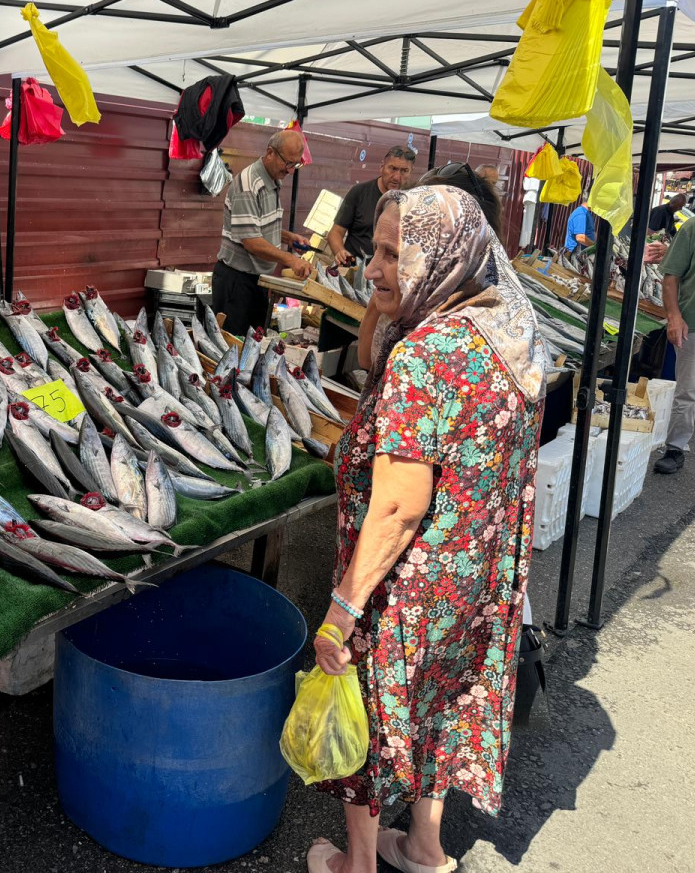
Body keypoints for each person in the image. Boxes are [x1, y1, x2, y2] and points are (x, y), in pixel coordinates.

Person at [306, 185, 547, 873]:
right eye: (374, 248)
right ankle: (424, 846)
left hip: (405, 579)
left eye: (392, 251)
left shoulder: (427, 356)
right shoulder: (505, 330)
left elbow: (398, 505)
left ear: (440, 256)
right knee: (439, 703)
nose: (373, 267)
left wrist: (343, 610)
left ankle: (356, 861)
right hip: (469, 582)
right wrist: (384, 313)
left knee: (370, 715)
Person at [356, 162, 504, 371]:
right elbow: (367, 359)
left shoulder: (429, 354)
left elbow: (367, 359)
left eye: (396, 254)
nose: (369, 272)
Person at [212, 129, 314, 336]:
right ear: (270, 153)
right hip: (236, 282)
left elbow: (260, 226)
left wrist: (288, 237)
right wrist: (291, 260)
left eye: (296, 164)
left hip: (256, 279)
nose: (291, 170)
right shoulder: (249, 184)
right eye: (288, 163)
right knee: (232, 345)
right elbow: (251, 241)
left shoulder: (273, 179)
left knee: (254, 342)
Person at [654, 204, 695, 474]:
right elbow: (671, 277)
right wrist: (674, 316)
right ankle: (676, 448)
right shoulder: (694, 227)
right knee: (688, 391)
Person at [328, 147, 417, 265]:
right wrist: (340, 252)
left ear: (411, 172)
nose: (397, 177)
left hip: (389, 275)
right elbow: (335, 233)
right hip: (354, 270)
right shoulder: (359, 192)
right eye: (393, 168)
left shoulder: (413, 201)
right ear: (382, 167)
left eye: (404, 171)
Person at [561, 197, 596, 265]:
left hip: (582, 256)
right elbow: (580, 237)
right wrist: (594, 246)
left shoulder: (587, 213)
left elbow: (591, 232)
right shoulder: (581, 214)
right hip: (574, 257)